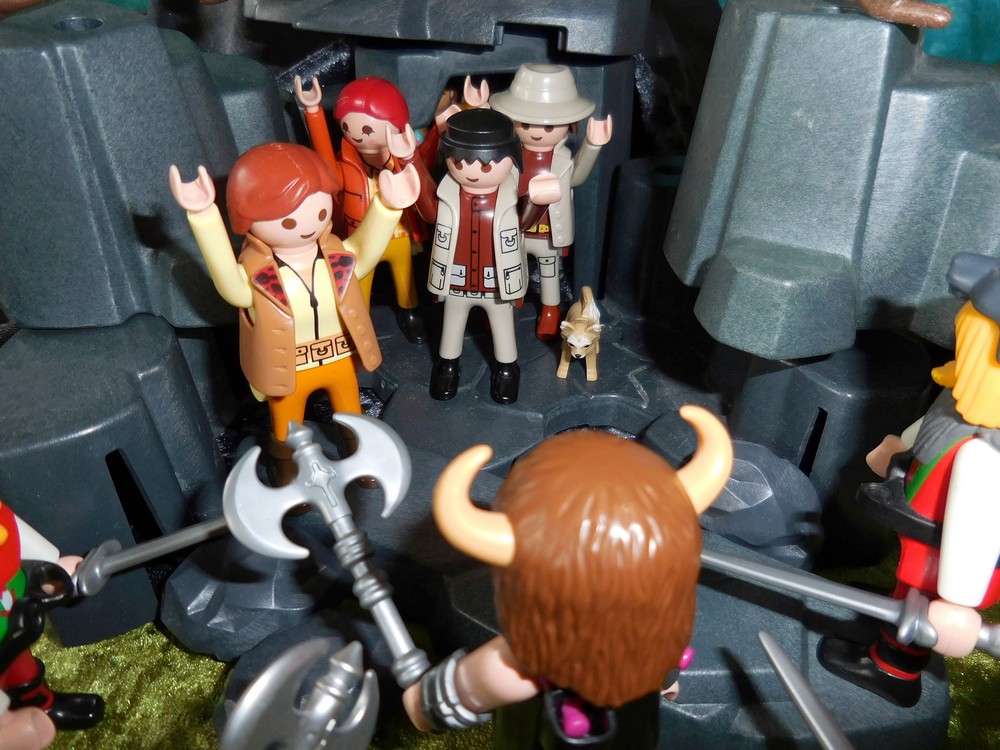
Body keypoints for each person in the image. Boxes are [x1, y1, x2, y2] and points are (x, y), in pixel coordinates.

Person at [170, 142, 419, 447]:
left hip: (339, 356)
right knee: (287, 429)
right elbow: (230, 284)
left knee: (352, 415)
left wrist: (387, 207)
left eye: (320, 211)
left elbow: (364, 253)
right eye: (288, 220)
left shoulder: (336, 255)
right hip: (287, 367)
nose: (306, 225)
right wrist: (204, 216)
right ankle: (287, 466)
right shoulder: (258, 274)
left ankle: (357, 451)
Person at [427, 108, 559, 404]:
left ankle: (507, 369)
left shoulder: (510, 198)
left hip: (497, 281)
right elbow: (427, 211)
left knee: (503, 329)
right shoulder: (447, 195)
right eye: (459, 162)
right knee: (452, 325)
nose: (471, 171)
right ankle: (448, 365)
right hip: (456, 277)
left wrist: (540, 202)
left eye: (486, 165)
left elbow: (525, 222)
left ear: (511, 159)